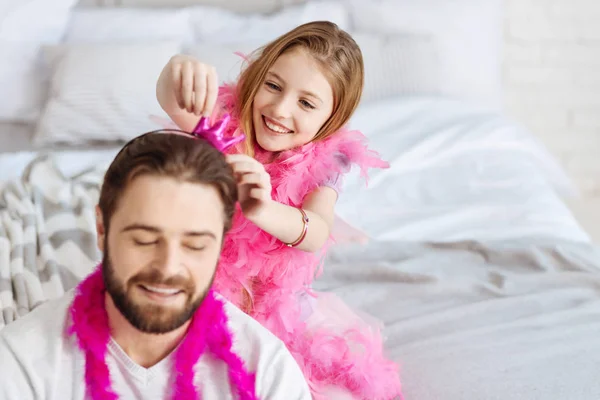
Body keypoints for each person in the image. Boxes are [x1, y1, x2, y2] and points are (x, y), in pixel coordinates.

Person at [155, 20, 402, 400]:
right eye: (273, 85)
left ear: (331, 119)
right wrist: (179, 68)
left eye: (306, 103)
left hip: (273, 312)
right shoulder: (225, 124)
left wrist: (263, 208)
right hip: (199, 293)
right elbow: (174, 99)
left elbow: (317, 230)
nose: (280, 109)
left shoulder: (328, 161)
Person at [0, 131, 313, 399]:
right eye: (145, 240)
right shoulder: (21, 361)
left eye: (195, 244)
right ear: (101, 228)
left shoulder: (267, 372)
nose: (168, 267)